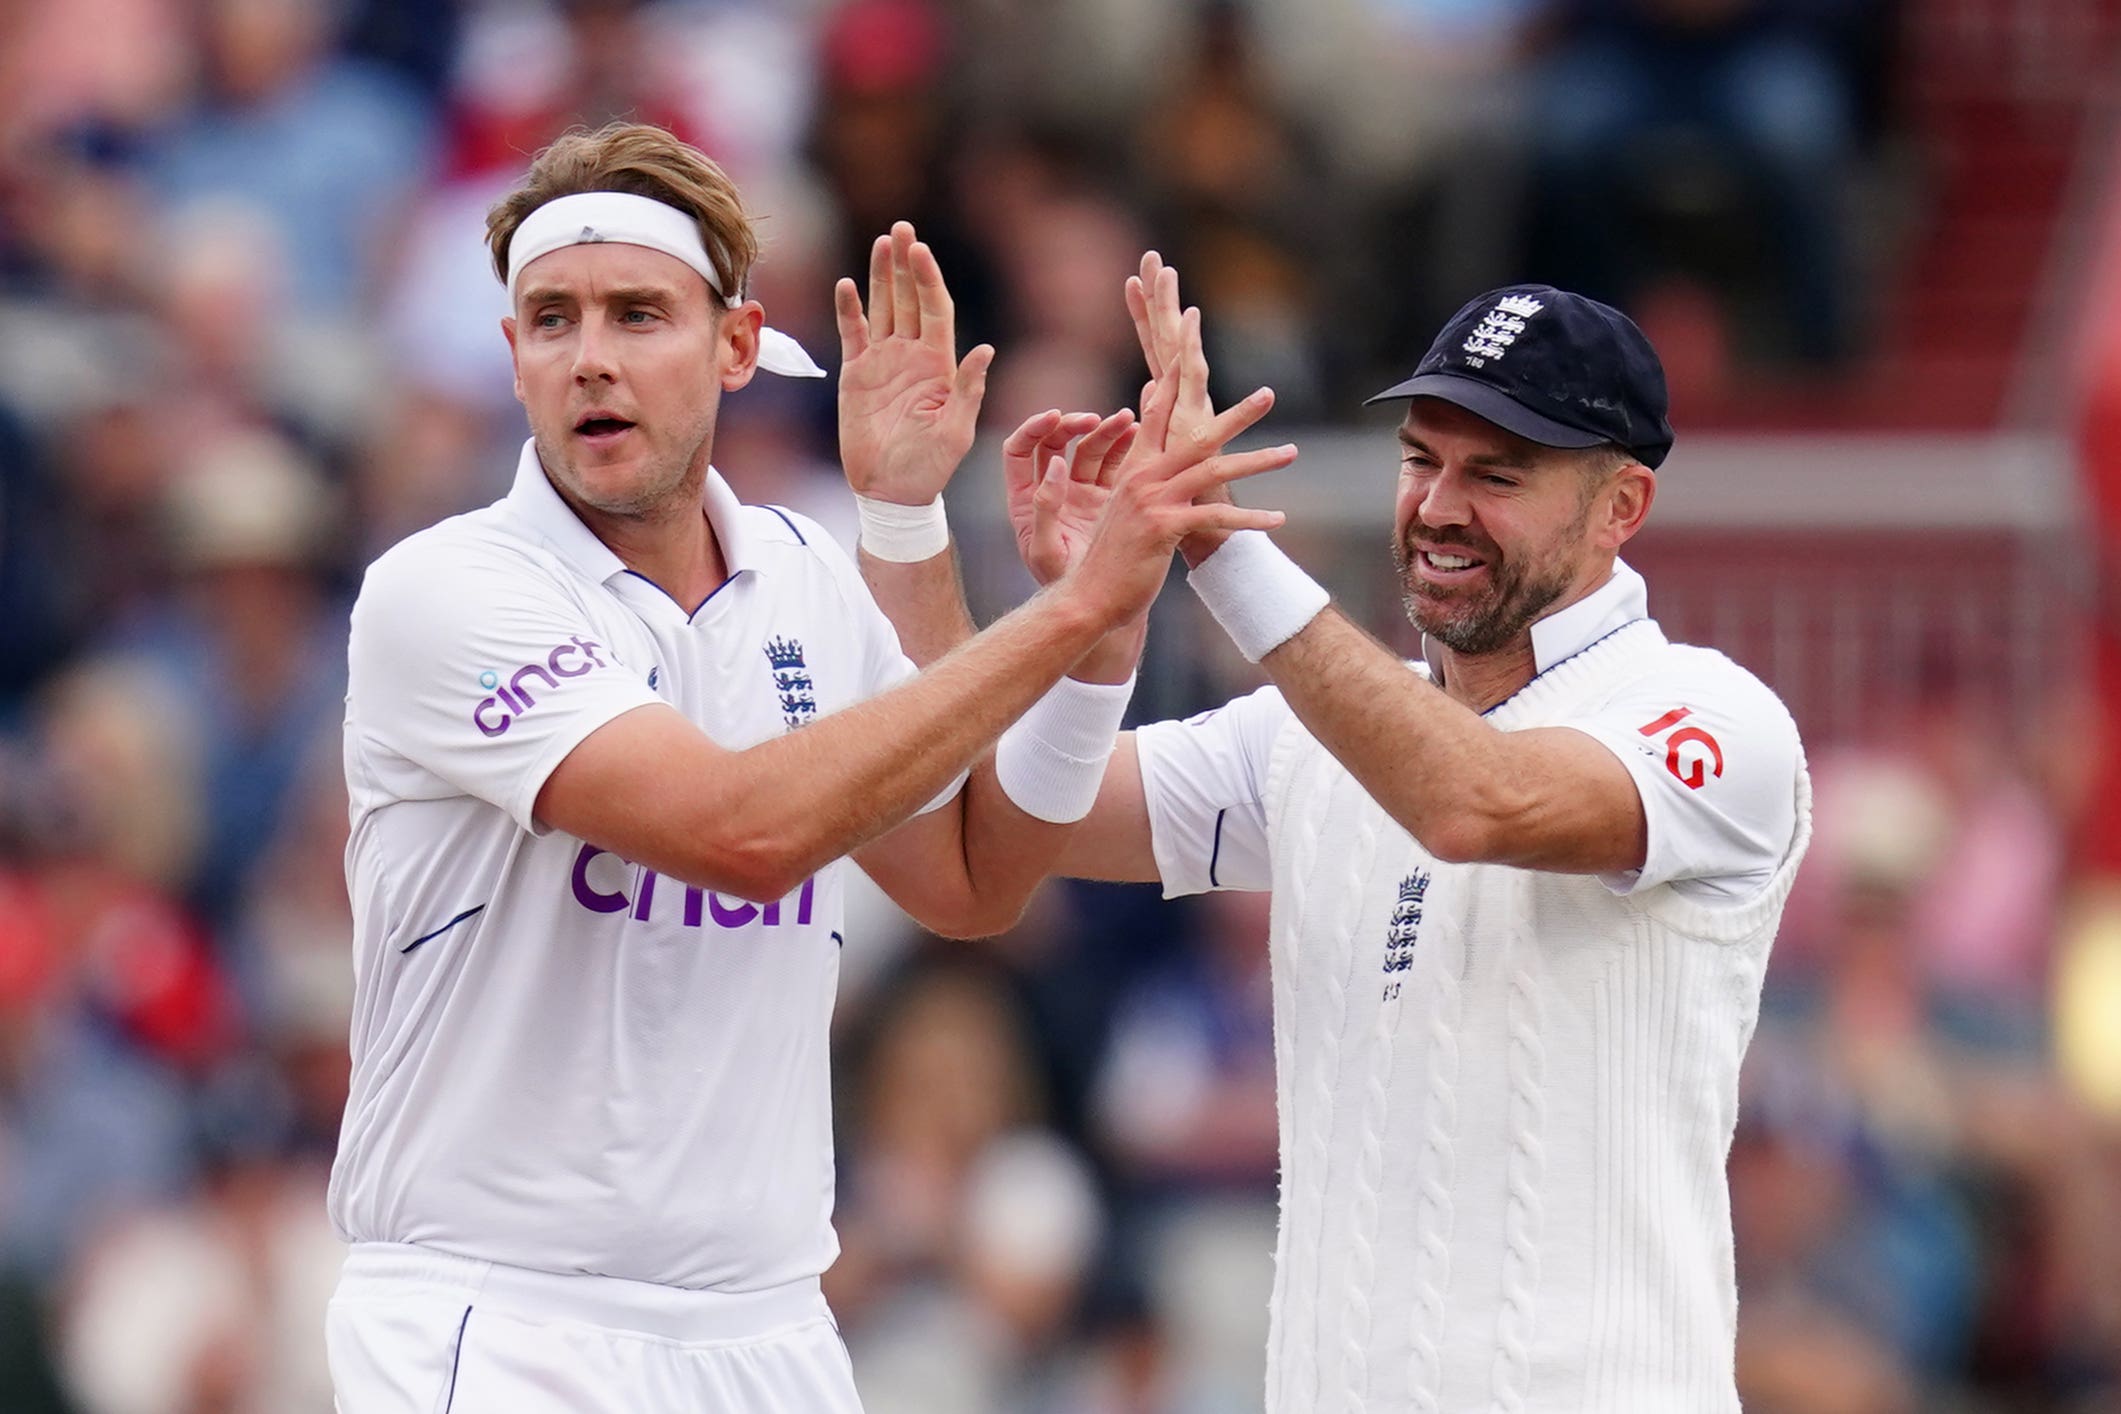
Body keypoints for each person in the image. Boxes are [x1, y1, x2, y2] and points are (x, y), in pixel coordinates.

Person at [322, 123, 1295, 1413]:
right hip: (501, 1321)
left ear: (736, 346)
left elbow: (970, 880)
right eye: (551, 320)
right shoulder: (444, 589)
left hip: (768, 1326)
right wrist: (1056, 620)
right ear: (511, 355)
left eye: (637, 313)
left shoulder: (801, 574)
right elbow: (745, 832)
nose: (592, 357)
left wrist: (1092, 630)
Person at [899, 258, 1812, 1411]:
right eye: (1421, 459)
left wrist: (1213, 540)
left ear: (1621, 506)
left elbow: (1471, 802)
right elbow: (992, 817)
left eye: (1499, 473)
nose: (1436, 505)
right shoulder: (1304, 736)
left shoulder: (1719, 720)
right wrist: (1050, 602)